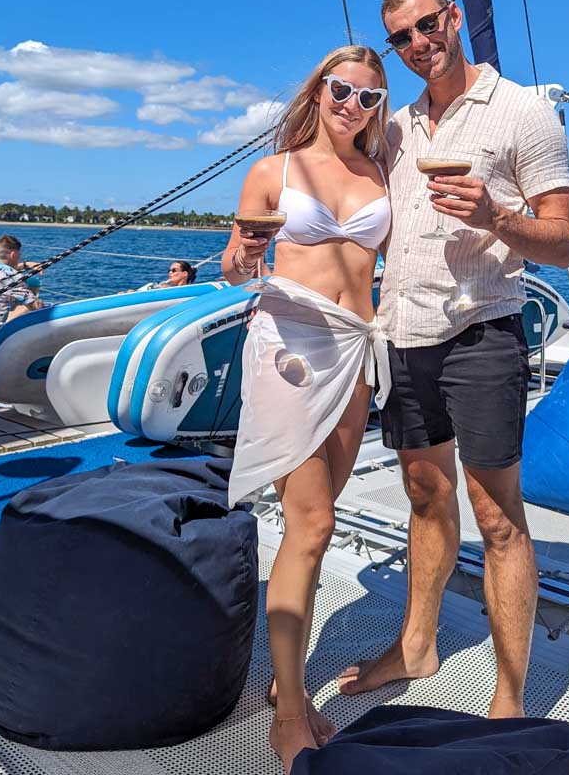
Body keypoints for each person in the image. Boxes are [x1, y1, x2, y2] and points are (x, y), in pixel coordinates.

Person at [339, 0, 569, 719]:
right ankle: (417, 644)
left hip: (481, 334)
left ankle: (509, 696)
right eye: (401, 38)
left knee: (497, 515)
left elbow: (565, 243)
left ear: (455, 15)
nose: (418, 44)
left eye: (426, 25)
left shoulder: (523, 113)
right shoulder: (400, 125)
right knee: (424, 495)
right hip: (404, 337)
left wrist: (497, 216)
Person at [222, 45, 392, 773]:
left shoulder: (382, 173)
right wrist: (243, 255)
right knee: (312, 521)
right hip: (290, 351)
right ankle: (289, 710)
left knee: (312, 532)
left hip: (356, 354)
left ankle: (282, 679)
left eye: (368, 98)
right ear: (317, 89)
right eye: (340, 88)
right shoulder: (275, 171)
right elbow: (236, 262)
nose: (351, 104)